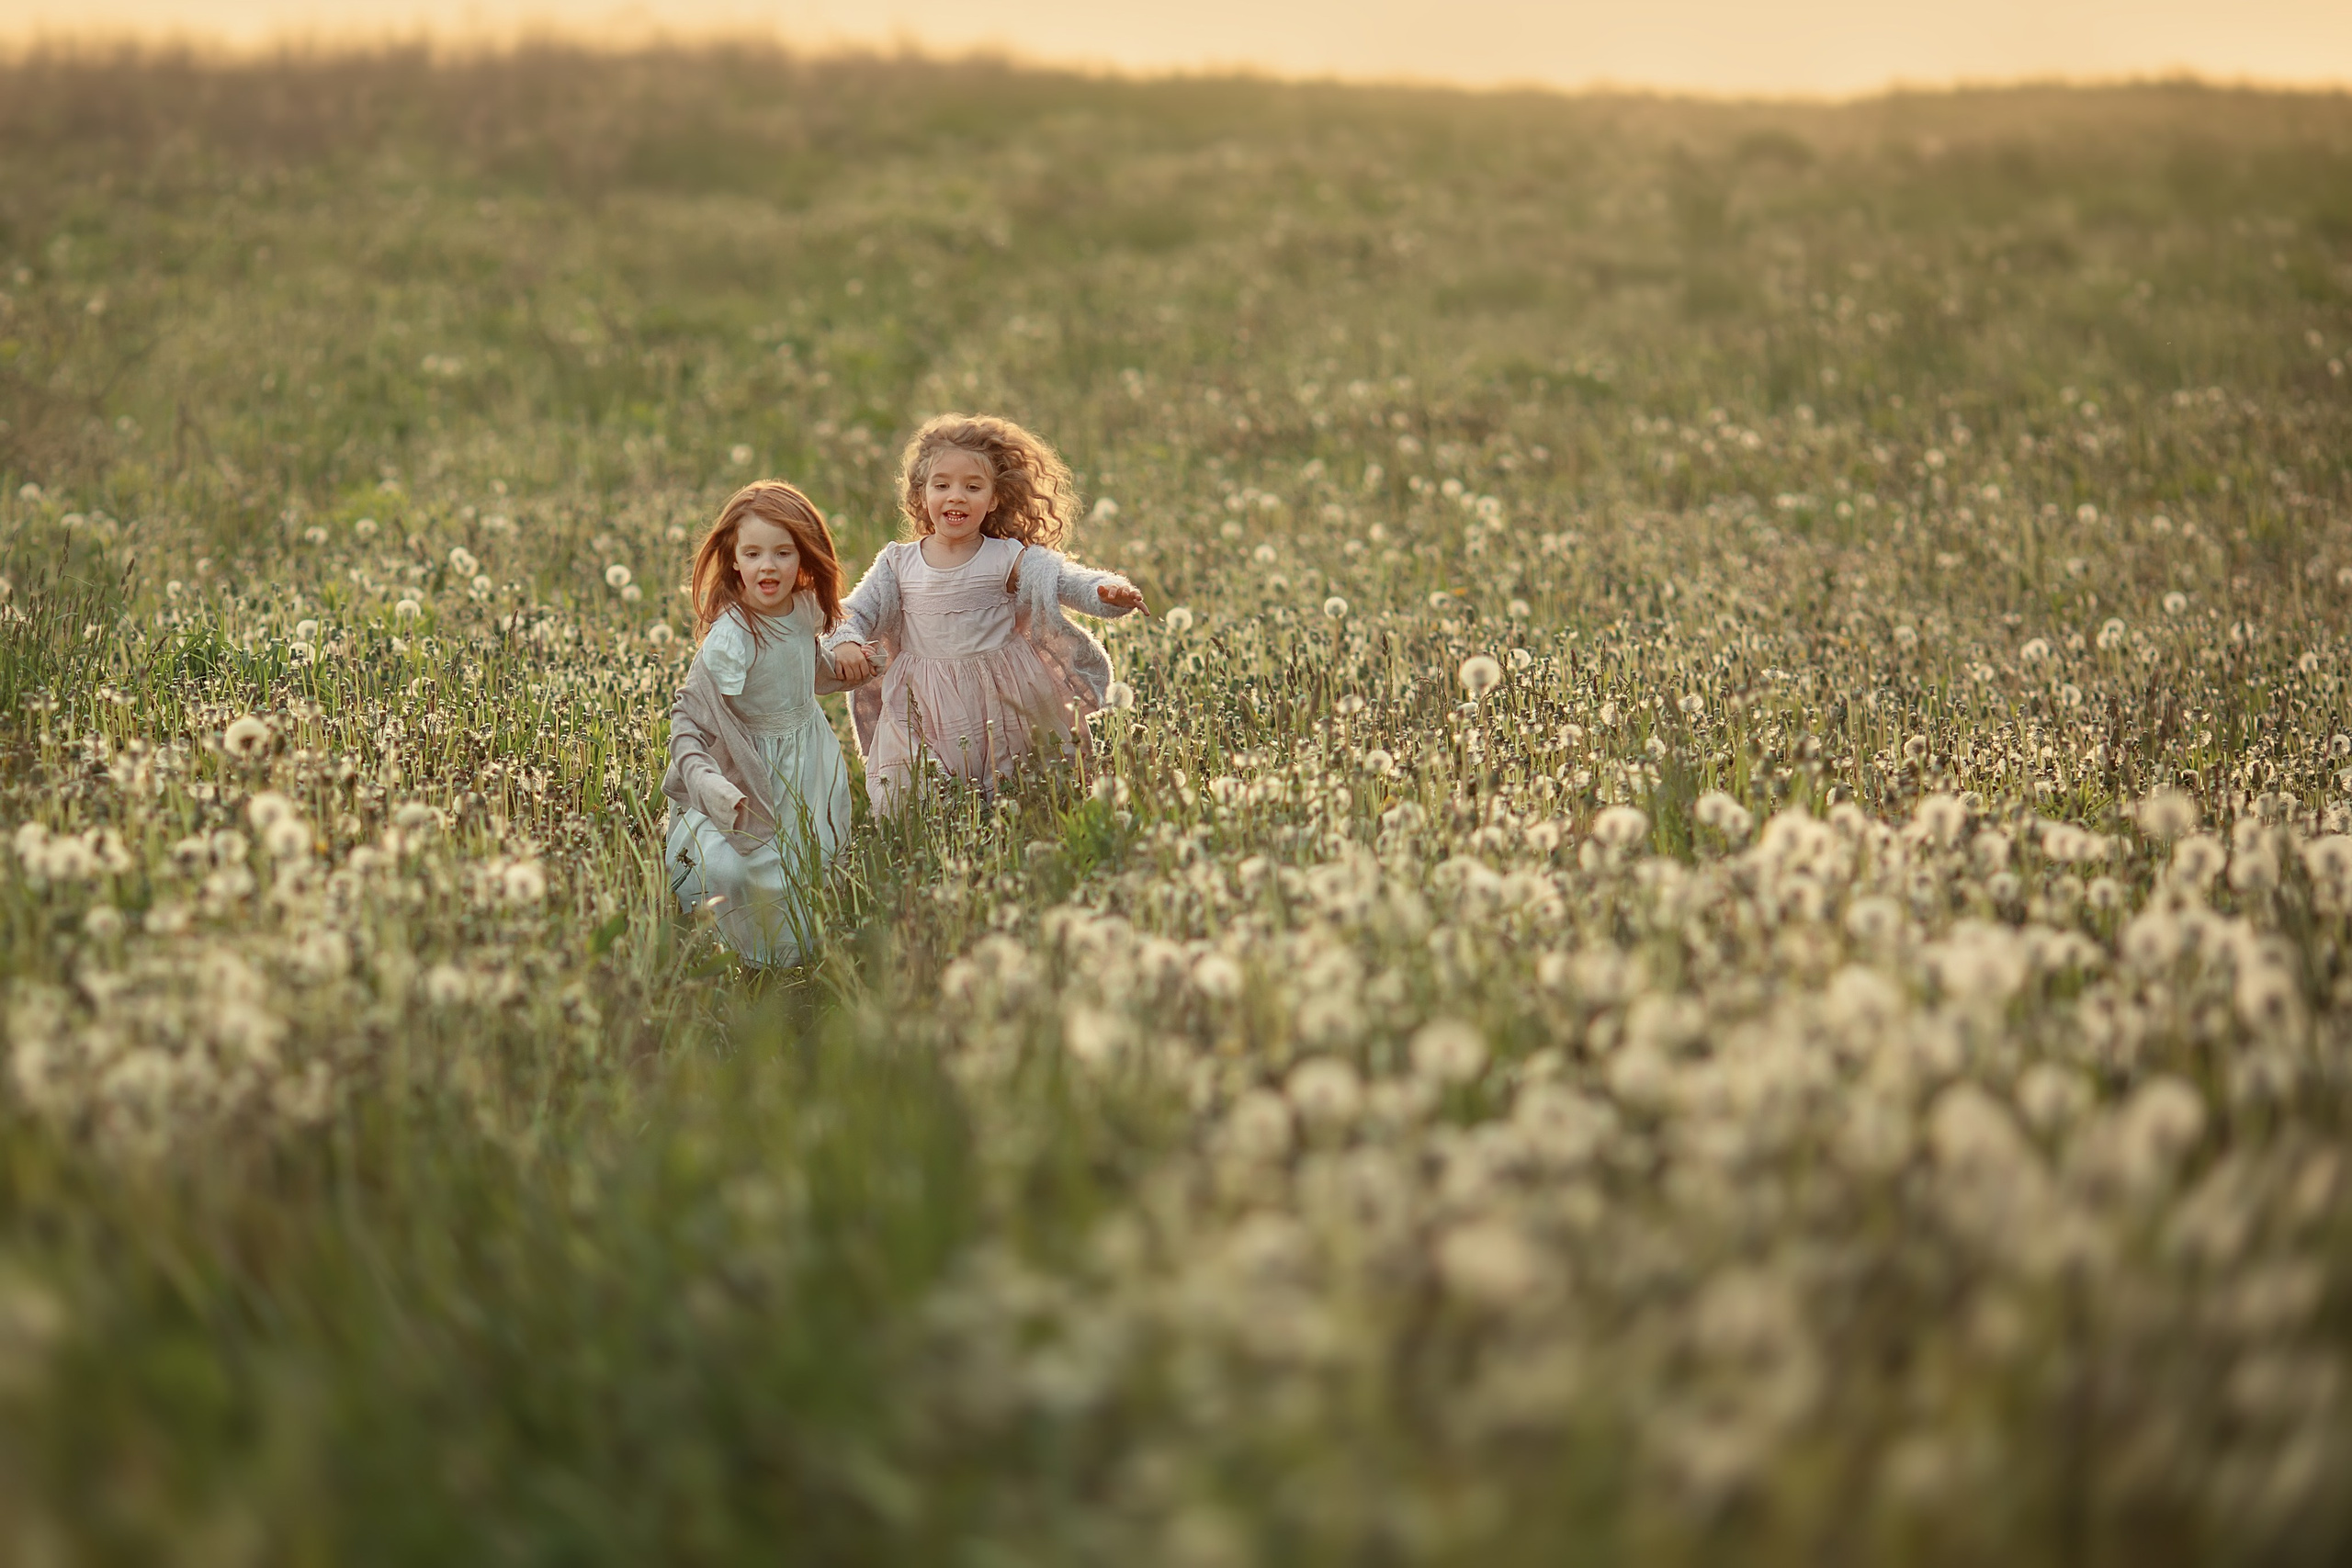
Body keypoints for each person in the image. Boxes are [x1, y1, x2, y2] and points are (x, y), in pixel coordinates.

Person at [827, 413, 1145, 815]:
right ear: (922, 493)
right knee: (915, 796)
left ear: (994, 498)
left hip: (1001, 692)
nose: (955, 496)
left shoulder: (1004, 557)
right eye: (941, 485)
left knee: (1021, 793)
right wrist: (847, 642)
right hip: (924, 700)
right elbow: (852, 612)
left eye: (972, 486)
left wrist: (1105, 592)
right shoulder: (898, 564)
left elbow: (1059, 579)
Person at [662, 479, 863, 966]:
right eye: (752, 553)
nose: (767, 566)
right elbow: (691, 716)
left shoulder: (805, 608)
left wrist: (851, 664)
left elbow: (806, 666)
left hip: (807, 753)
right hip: (752, 764)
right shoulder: (731, 637)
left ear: (804, 558)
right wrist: (708, 780)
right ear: (734, 559)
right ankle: (739, 958)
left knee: (808, 852)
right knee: (748, 865)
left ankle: (797, 954)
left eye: (783, 553)